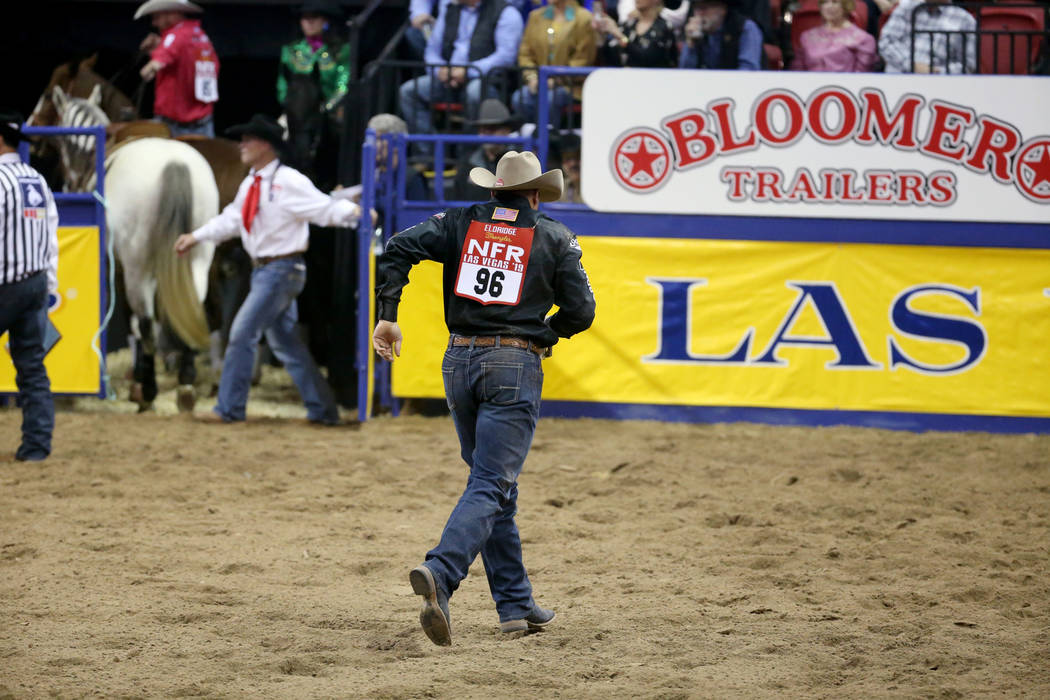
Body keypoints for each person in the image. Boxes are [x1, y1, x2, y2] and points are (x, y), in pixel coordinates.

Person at [372, 150, 595, 646]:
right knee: (494, 482)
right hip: (514, 364)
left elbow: (396, 247)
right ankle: (442, 572)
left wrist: (388, 313)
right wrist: (545, 333)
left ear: (493, 191)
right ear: (536, 194)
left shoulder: (457, 222)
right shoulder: (556, 236)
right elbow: (581, 311)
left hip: (459, 362)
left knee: (493, 485)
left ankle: (515, 606)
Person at [173, 114, 363, 425]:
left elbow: (323, 208)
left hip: (281, 269)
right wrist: (197, 236)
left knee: (242, 333)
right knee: (285, 342)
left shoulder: (289, 181)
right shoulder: (251, 183)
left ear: (267, 146)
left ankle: (230, 408)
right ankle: (324, 410)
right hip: (268, 271)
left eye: (248, 140)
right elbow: (232, 219)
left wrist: (355, 214)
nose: (242, 145)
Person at [0, 112, 59, 462]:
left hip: (4, 283)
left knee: (32, 366)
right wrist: (48, 284)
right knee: (32, 366)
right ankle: (36, 446)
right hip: (35, 282)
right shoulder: (35, 179)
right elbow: (51, 234)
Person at [398, 0, 524, 158]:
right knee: (409, 91)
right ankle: (430, 156)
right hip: (449, 80)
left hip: (488, 80)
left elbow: (505, 57)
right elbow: (432, 49)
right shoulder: (449, 9)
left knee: (475, 92)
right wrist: (440, 70)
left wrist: (468, 71)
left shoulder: (507, 13)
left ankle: (470, 156)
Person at [277, 0, 350, 187]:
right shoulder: (291, 50)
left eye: (314, 18)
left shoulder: (341, 50)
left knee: (339, 131)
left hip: (328, 108)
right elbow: (283, 83)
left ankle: (339, 180)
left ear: (326, 21)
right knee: (279, 134)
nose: (308, 22)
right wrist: (290, 104)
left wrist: (327, 107)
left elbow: (343, 83)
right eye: (305, 18)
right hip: (297, 109)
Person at [135, 0, 219, 137]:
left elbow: (152, 68)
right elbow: (184, 59)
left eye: (157, 17)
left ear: (172, 14)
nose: (154, 23)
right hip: (203, 122)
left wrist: (148, 68)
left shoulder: (175, 36)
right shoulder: (201, 36)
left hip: (174, 126)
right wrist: (159, 46)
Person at [513, 0, 597, 126]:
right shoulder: (535, 16)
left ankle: (550, 142)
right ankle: (530, 142)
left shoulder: (583, 18)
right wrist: (532, 77)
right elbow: (525, 54)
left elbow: (583, 59)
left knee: (550, 98)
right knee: (519, 97)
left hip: (571, 85)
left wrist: (555, 80)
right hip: (538, 81)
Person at [878, 0, 976, 74]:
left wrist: (936, 72)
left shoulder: (965, 20)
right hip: (897, 78)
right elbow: (886, 42)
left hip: (940, 86)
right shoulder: (906, 7)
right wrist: (912, 65)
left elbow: (969, 65)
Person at [453, 98, 520, 200]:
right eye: (482, 128)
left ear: (507, 130)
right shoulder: (468, 163)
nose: (486, 133)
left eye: (492, 128)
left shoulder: (519, 162)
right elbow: (458, 204)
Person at [791, 0, 876, 72]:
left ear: (846, 6)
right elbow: (797, 71)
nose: (829, 6)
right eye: (825, 2)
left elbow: (862, 76)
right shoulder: (807, 36)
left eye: (835, 2)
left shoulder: (864, 39)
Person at [678, 0, 763, 70]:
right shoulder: (694, 30)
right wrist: (691, 45)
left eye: (704, 8)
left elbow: (748, 71)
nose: (699, 13)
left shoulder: (745, 28)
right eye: (696, 8)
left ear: (723, 9)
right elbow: (685, 73)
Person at [595, 0, 679, 68]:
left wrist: (619, 35)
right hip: (626, 80)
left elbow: (647, 58)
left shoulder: (664, 28)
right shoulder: (628, 25)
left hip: (655, 82)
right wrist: (601, 35)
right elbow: (609, 54)